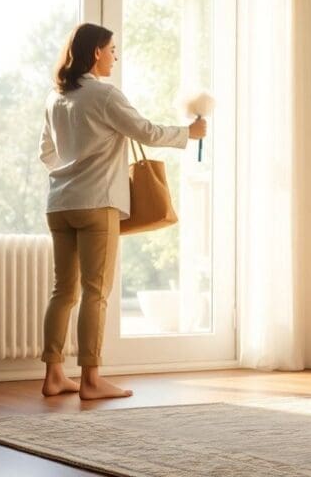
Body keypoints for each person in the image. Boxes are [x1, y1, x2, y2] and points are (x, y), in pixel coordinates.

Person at [38, 23, 206, 399]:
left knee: (63, 291)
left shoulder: (55, 98)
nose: (116, 56)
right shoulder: (104, 95)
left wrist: (72, 168)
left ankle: (52, 376)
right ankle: (92, 381)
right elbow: (145, 131)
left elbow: (46, 154)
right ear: (96, 52)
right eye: (113, 49)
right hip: (97, 203)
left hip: (60, 204)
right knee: (95, 292)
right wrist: (188, 133)